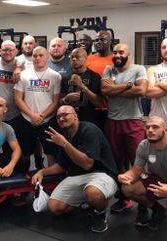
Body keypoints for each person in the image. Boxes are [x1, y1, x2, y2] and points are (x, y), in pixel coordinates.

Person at [31, 105, 118, 233]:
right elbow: (62, 165)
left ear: (75, 116)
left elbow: (87, 164)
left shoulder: (89, 130)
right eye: (58, 117)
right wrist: (42, 171)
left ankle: (99, 212)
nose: (61, 118)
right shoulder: (65, 135)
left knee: (93, 194)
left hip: (101, 174)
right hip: (77, 177)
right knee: (54, 207)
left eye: (65, 114)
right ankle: (85, 199)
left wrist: (64, 144)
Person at [119, 116, 167, 240]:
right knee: (127, 188)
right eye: (147, 127)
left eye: (155, 127)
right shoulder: (143, 146)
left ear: (166, 131)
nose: (150, 130)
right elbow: (136, 171)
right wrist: (125, 176)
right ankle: (157, 210)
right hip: (158, 180)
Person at [101, 43, 148, 213]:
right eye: (115, 52)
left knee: (138, 162)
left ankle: (143, 204)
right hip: (112, 121)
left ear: (129, 54)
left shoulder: (138, 69)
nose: (117, 55)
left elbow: (141, 91)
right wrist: (128, 86)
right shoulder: (108, 69)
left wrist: (114, 89)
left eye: (121, 52)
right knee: (117, 162)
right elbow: (104, 90)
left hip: (132, 121)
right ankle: (124, 197)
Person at [14, 46, 61, 167]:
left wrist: (42, 116)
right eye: (35, 56)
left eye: (41, 55)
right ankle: (23, 179)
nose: (37, 58)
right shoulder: (23, 75)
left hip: (47, 120)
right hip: (27, 119)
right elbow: (18, 99)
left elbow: (55, 102)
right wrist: (32, 115)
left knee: (51, 153)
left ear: (47, 57)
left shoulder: (55, 76)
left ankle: (51, 181)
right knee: (24, 154)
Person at [61, 47, 102, 122]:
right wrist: (67, 98)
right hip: (69, 120)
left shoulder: (94, 76)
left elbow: (99, 103)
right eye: (72, 57)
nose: (73, 59)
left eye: (77, 57)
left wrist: (82, 86)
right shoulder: (65, 78)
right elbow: (60, 102)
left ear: (85, 59)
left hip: (88, 119)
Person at [85, 30, 114, 131]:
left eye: (102, 40)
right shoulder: (88, 60)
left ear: (110, 41)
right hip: (90, 107)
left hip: (110, 109)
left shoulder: (116, 60)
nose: (98, 42)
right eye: (96, 40)